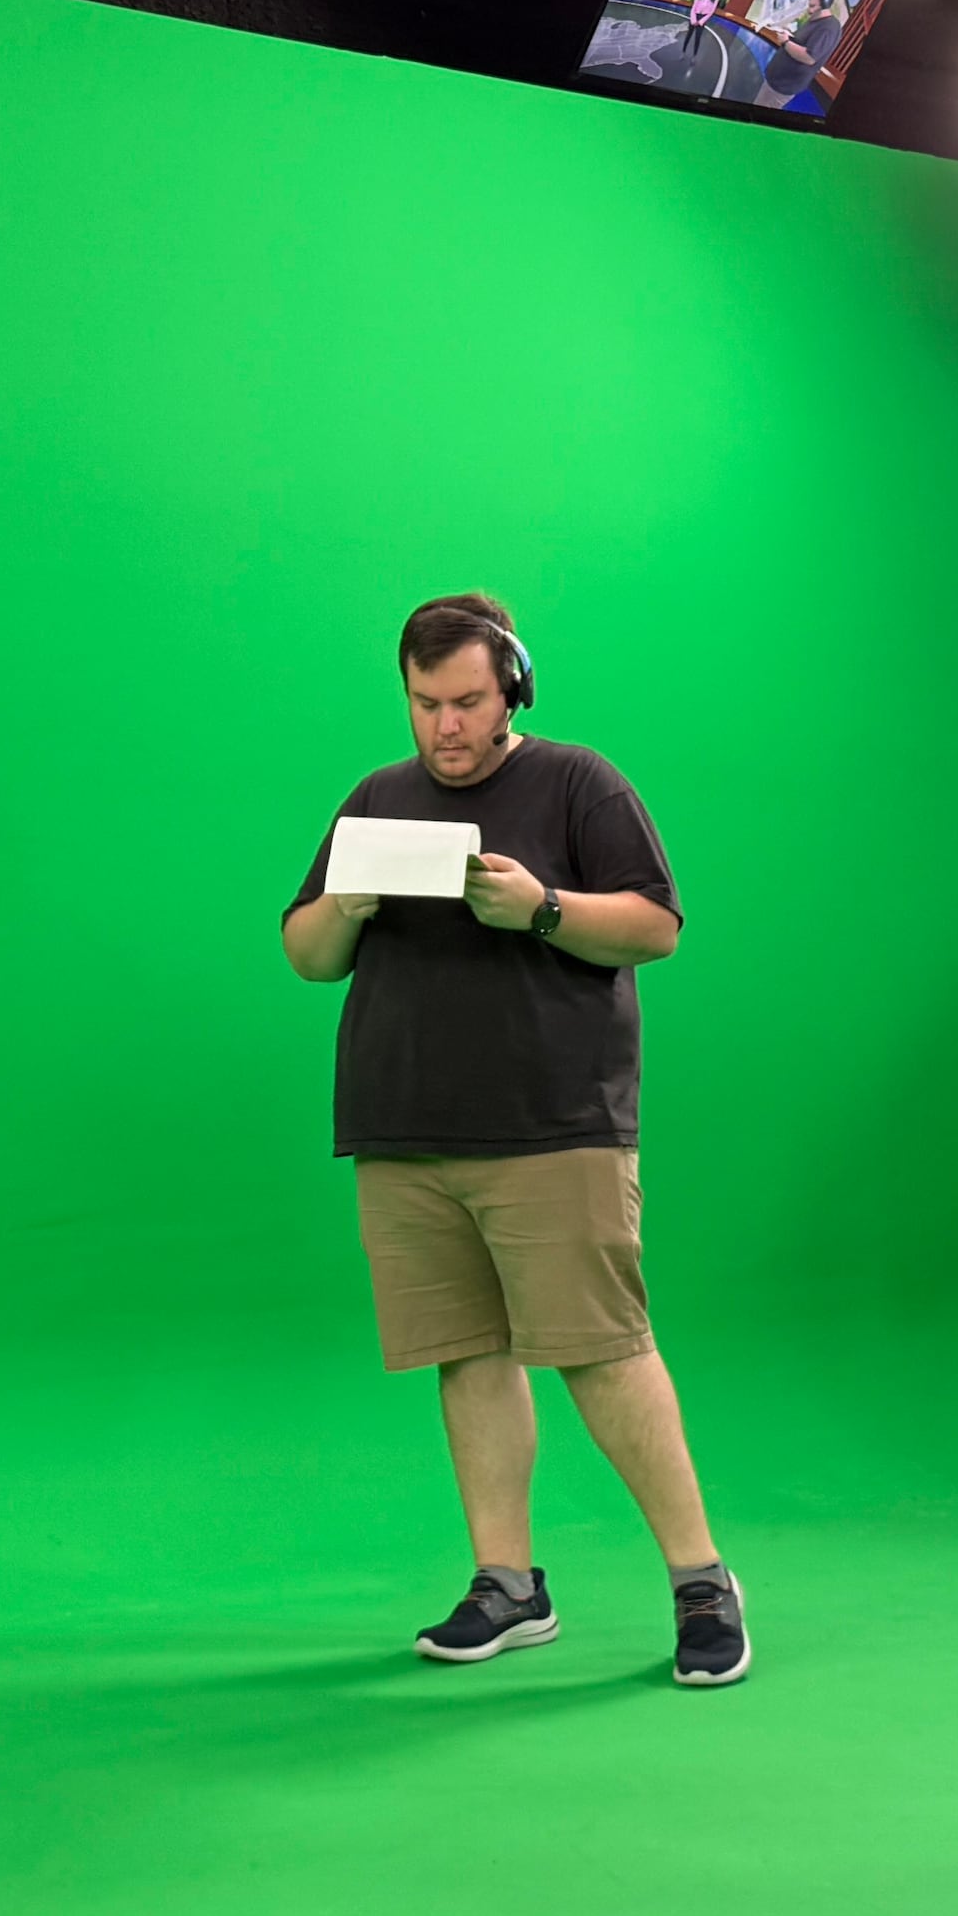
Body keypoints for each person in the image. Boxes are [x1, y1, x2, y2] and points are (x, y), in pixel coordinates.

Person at [281, 595, 750, 1686]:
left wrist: (543, 909)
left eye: (469, 702)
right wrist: (348, 899)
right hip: (405, 1133)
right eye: (425, 702)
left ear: (514, 691)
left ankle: (701, 1582)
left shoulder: (580, 783)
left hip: (555, 1129)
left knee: (602, 1350)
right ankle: (509, 1585)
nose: (446, 725)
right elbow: (307, 955)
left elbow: (657, 926)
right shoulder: (376, 804)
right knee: (468, 1352)